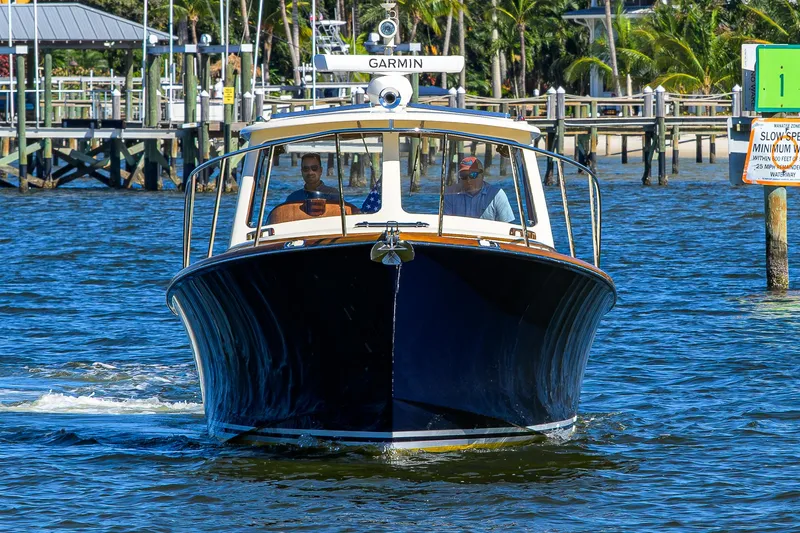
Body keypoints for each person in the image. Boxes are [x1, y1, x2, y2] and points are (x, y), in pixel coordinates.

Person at [444, 156, 514, 222]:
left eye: (473, 175)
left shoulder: (497, 195)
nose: (468, 180)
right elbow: (446, 223)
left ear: (482, 175)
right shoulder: (450, 194)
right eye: (464, 176)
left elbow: (507, 225)